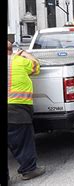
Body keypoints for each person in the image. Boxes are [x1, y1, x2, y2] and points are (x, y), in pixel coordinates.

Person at [7, 41, 45, 180]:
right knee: (23, 142)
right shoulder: (19, 60)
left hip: (15, 109)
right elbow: (36, 66)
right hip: (17, 110)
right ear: (12, 49)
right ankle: (29, 170)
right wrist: (24, 53)